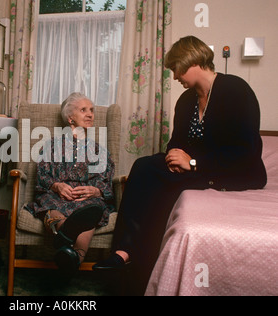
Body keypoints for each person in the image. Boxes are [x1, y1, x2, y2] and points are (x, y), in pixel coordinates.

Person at [93, 36, 267, 293]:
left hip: (236, 172)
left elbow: (247, 153)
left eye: (175, 68)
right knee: (143, 166)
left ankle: (138, 269)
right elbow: (175, 144)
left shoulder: (236, 90)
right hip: (193, 169)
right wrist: (173, 158)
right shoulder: (186, 101)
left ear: (191, 61)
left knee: (164, 192)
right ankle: (123, 252)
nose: (174, 76)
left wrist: (193, 162)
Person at [26, 92, 116, 275]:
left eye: (91, 110)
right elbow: (42, 176)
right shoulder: (51, 146)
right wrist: (57, 186)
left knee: (91, 210)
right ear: (70, 118)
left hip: (87, 199)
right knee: (51, 205)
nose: (90, 114)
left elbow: (106, 179)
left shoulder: (99, 150)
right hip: (57, 195)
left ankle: (70, 251)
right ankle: (71, 246)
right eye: (83, 110)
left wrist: (96, 190)